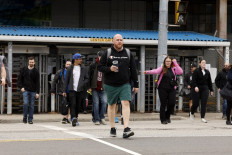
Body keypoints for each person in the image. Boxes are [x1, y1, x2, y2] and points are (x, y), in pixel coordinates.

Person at [98, 34, 139, 138]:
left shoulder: (128, 53)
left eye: (121, 40)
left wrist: (136, 84)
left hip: (125, 83)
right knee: (112, 105)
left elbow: (134, 69)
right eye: (117, 40)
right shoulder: (107, 53)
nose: (119, 41)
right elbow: (100, 67)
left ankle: (126, 128)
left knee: (125, 103)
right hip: (110, 84)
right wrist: (109, 69)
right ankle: (112, 128)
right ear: (113, 41)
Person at [144, 56, 183, 124]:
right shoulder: (162, 68)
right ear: (164, 62)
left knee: (172, 103)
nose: (168, 63)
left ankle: (167, 116)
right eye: (166, 61)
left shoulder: (174, 69)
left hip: (172, 88)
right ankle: (163, 119)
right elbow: (155, 71)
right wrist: (147, 72)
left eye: (169, 61)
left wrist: (175, 63)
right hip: (162, 88)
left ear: (171, 62)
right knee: (163, 104)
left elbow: (180, 72)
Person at [63, 53, 89, 127]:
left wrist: (83, 83)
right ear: (75, 60)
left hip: (80, 90)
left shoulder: (83, 68)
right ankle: (73, 118)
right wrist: (64, 91)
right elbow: (66, 80)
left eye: (81, 59)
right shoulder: (70, 68)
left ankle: (76, 118)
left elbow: (87, 78)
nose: (81, 60)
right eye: (80, 59)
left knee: (78, 105)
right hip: (72, 89)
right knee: (73, 104)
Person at [18, 57, 40, 124]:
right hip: (25, 90)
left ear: (34, 62)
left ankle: (30, 119)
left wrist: (37, 92)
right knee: (25, 103)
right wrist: (21, 87)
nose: (31, 63)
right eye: (30, 62)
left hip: (33, 91)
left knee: (31, 105)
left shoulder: (36, 71)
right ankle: (25, 117)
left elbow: (38, 82)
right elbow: (19, 79)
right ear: (28, 62)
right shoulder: (23, 70)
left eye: (32, 62)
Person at [88, 50, 107, 125]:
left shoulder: (106, 65)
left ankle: (102, 117)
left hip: (104, 87)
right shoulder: (93, 65)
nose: (101, 58)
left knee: (104, 102)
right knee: (96, 103)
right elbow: (89, 76)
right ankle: (96, 119)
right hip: (94, 86)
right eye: (100, 56)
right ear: (98, 57)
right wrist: (89, 86)